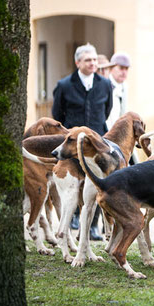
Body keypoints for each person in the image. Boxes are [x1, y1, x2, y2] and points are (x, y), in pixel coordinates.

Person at [52, 43, 113, 240]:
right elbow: (57, 114)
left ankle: (94, 226)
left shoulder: (105, 84)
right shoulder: (64, 85)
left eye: (95, 60)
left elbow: (107, 110)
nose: (93, 63)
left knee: (96, 183)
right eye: (88, 60)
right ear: (78, 62)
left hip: (96, 145)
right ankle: (75, 218)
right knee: (74, 184)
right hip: (72, 146)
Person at [105, 52, 131, 130]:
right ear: (111, 68)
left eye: (126, 69)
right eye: (121, 68)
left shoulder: (124, 86)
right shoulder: (105, 84)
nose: (124, 72)